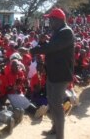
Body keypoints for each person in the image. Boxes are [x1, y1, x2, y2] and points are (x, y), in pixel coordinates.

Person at [28, 8, 75, 139]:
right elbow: (51, 47)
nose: (49, 21)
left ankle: (60, 136)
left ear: (57, 20)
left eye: (51, 19)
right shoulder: (58, 32)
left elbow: (52, 48)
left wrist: (33, 50)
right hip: (53, 74)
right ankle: (55, 129)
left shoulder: (66, 32)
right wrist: (43, 43)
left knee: (57, 106)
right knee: (53, 104)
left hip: (61, 75)